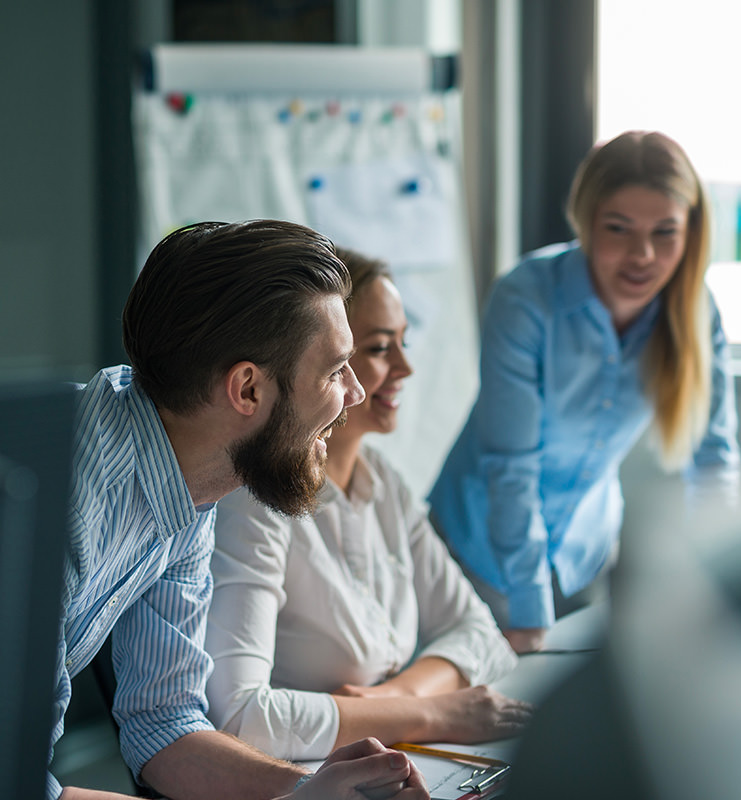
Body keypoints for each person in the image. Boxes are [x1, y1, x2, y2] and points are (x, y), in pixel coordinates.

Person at [55, 220, 429, 800]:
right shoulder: (66, 498)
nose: (354, 394)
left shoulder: (189, 483)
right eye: (334, 370)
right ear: (248, 390)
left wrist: (311, 789)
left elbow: (165, 724)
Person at [204, 248, 532, 761]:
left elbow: (480, 633)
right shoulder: (254, 499)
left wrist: (390, 699)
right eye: (380, 348)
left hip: (388, 753)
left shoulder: (383, 482)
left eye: (403, 342)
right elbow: (241, 722)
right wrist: (434, 712)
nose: (405, 367)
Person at [428, 130, 740, 654]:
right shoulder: (526, 297)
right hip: (476, 553)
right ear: (586, 221)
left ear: (691, 233)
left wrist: (722, 590)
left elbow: (714, 461)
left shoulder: (695, 311)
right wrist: (529, 612)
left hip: (583, 554)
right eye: (619, 229)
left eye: (666, 232)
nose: (642, 255)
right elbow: (512, 466)